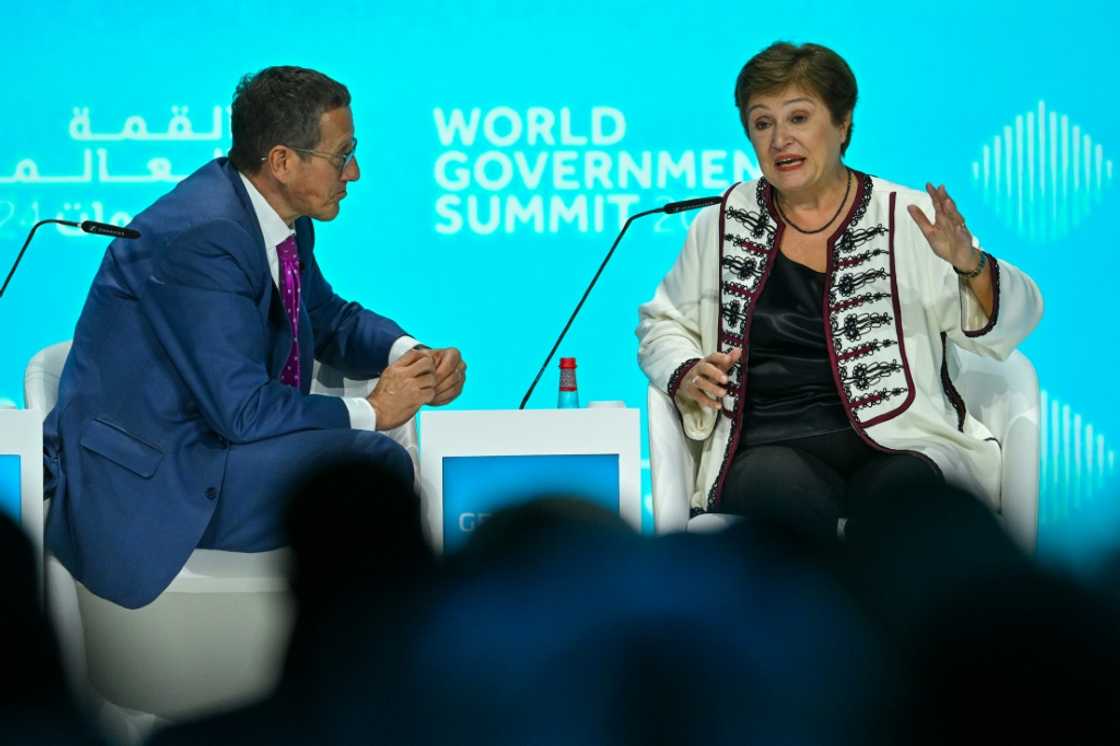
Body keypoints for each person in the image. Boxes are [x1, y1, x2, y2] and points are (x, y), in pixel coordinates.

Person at [43, 66, 466, 609]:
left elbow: (329, 318)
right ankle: (372, 644)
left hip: (212, 441)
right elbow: (241, 410)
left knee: (374, 454)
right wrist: (374, 409)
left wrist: (412, 355)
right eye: (341, 155)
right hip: (158, 475)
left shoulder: (277, 215)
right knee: (369, 466)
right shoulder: (202, 237)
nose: (354, 172)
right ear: (282, 162)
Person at [636, 42, 1042, 542]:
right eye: (762, 123)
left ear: (843, 123)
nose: (780, 139)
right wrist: (686, 370)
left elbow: (1014, 322)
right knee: (779, 490)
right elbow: (662, 323)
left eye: (799, 118)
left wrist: (969, 265)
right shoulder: (723, 221)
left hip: (904, 438)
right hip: (767, 445)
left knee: (906, 497)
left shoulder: (909, 217)